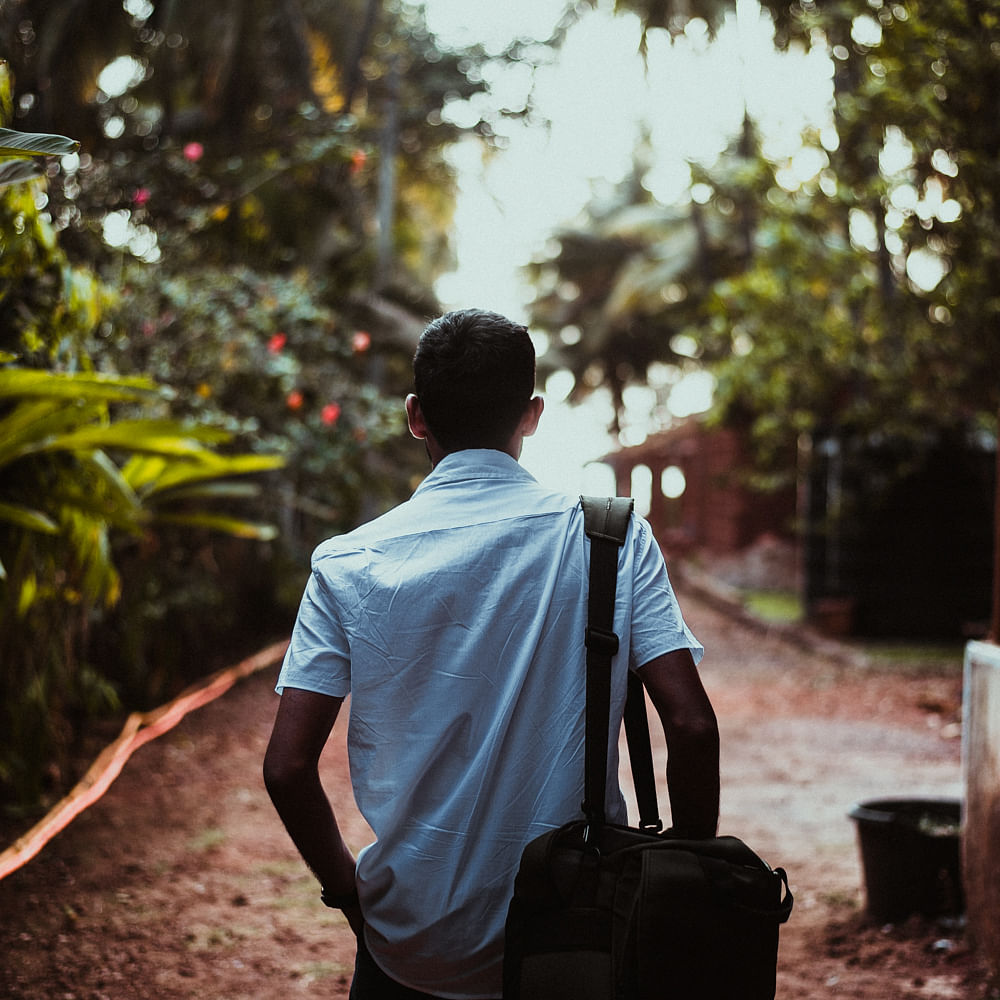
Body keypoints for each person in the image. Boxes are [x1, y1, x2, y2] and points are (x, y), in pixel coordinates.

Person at [263, 308, 720, 1000]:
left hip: (409, 947)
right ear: (532, 414)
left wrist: (351, 896)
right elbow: (689, 725)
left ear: (416, 416)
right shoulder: (612, 539)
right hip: (575, 931)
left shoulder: (346, 563)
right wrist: (683, 882)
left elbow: (288, 767)